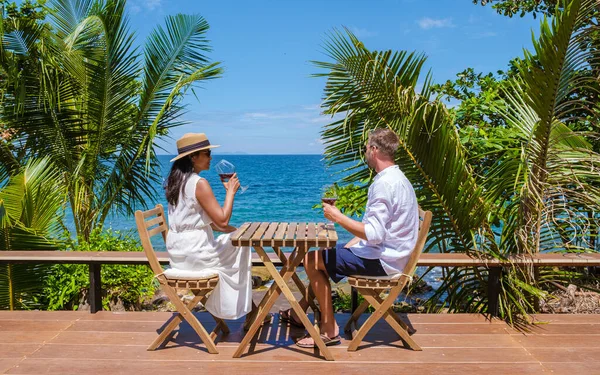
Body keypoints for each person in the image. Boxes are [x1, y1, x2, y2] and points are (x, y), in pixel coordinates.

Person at [283, 128, 420, 348]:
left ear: (374, 150)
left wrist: (337, 217)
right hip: (395, 256)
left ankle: (329, 330)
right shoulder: (399, 178)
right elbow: (383, 229)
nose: (365, 151)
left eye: (367, 147)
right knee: (324, 258)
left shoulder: (383, 184)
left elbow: (374, 234)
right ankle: (299, 314)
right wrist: (352, 245)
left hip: (383, 262)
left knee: (310, 260)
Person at [164, 133, 253, 320]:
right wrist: (230, 193)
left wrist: (236, 231)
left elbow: (215, 225)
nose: (210, 157)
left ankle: (251, 311)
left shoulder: (174, 182)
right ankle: (248, 312)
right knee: (243, 246)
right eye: (207, 153)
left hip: (179, 255)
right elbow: (222, 222)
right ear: (193, 157)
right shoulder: (199, 183)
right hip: (197, 254)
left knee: (236, 240)